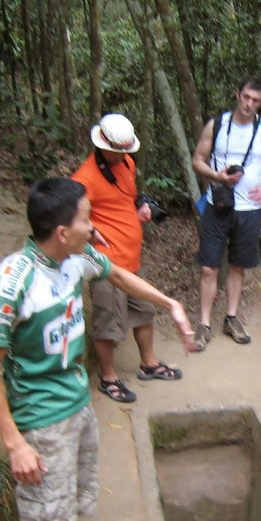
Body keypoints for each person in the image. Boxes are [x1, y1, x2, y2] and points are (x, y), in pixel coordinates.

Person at [0, 177, 196, 521]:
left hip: (77, 405)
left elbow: (118, 276)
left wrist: (171, 304)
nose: (91, 224)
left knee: (67, 506)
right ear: (61, 230)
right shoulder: (14, 280)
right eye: (83, 218)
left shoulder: (73, 259)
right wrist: (15, 444)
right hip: (39, 422)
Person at [71, 113, 182, 404]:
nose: (122, 157)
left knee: (144, 309)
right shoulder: (84, 178)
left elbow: (125, 200)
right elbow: (71, 215)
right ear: (102, 145)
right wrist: (91, 231)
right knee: (108, 319)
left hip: (131, 259)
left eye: (125, 151)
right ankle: (108, 377)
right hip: (105, 263)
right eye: (116, 152)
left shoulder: (127, 164)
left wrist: (141, 208)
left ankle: (149, 362)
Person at [191, 75, 261, 350]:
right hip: (218, 205)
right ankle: (203, 324)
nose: (250, 104)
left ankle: (232, 318)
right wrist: (217, 175)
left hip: (250, 208)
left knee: (238, 265)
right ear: (237, 95)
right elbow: (197, 161)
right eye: (247, 97)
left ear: (260, 102)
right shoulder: (217, 125)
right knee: (208, 267)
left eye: (256, 100)